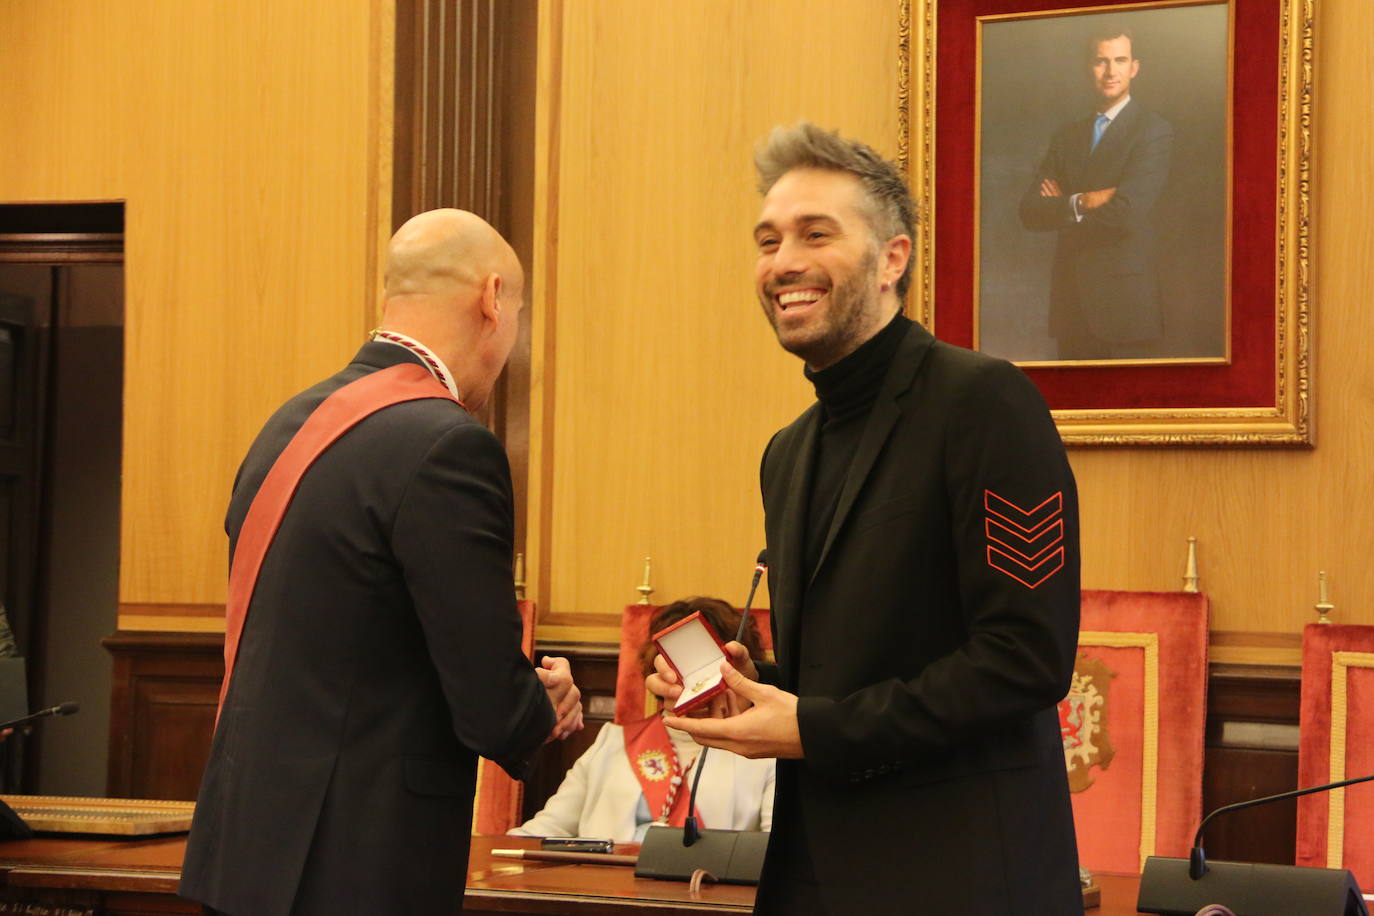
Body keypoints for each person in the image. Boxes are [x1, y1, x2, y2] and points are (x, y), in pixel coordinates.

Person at [648, 123, 1082, 913]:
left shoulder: (985, 402)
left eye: (817, 234)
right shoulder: (787, 452)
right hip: (813, 878)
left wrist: (814, 728)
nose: (784, 264)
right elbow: (841, 685)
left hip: (963, 882)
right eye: (768, 240)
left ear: (893, 259)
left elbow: (1027, 658)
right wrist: (746, 693)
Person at [180, 209, 583, 916]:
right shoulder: (446, 445)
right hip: (354, 867)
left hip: (246, 853)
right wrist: (541, 707)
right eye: (518, 313)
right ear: (493, 298)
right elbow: (489, 701)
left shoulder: (290, 424)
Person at [510, 598, 774, 843]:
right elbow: (544, 831)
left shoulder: (766, 754)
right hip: (604, 889)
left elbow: (774, 852)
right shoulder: (612, 742)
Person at [1018, 25, 1174, 360]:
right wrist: (1083, 201)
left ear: (1134, 67)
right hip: (1071, 302)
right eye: (1101, 61)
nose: (1110, 71)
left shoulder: (1153, 131)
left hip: (1125, 306)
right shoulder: (1067, 135)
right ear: (1088, 68)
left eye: (1120, 60)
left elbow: (1127, 212)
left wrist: (1062, 205)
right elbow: (1030, 211)